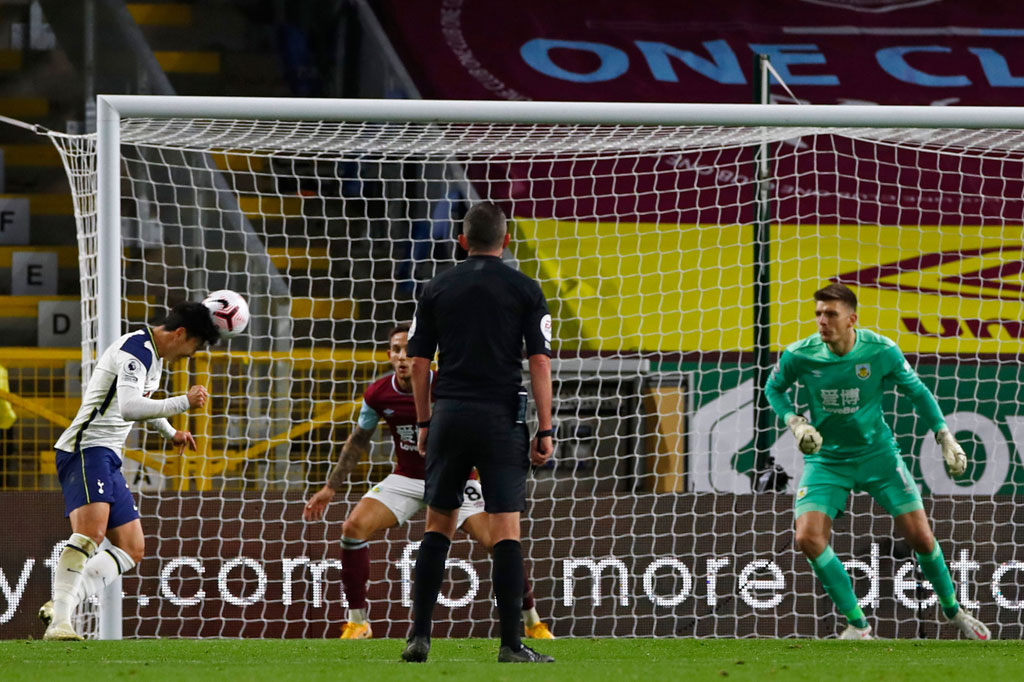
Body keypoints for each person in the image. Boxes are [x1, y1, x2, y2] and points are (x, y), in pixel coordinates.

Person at [765, 283, 991, 641]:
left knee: (921, 537)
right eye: (818, 313)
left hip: (878, 456)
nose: (822, 321)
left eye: (831, 314)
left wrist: (944, 435)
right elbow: (773, 388)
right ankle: (858, 625)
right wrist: (795, 421)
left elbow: (918, 392)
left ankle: (953, 611)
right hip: (827, 460)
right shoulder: (800, 355)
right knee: (807, 537)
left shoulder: (881, 350)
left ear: (851, 319)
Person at [302, 323, 554, 640]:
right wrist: (330, 487)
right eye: (397, 350)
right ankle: (358, 623)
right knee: (353, 527)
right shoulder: (377, 394)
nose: (403, 357)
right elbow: (358, 440)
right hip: (408, 477)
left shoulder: (447, 387)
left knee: (499, 542)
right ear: (389, 355)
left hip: (456, 478)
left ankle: (532, 622)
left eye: (410, 350)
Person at [401, 201, 554, 664]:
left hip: (449, 414)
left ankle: (419, 637)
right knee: (506, 528)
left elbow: (419, 363)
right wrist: (545, 428)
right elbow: (539, 361)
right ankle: (511, 644)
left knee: (438, 523)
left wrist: (424, 422)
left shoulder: (436, 287)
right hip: (501, 416)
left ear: (462, 240)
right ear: (505, 240)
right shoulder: (525, 288)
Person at [39, 302, 220, 641]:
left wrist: (170, 432)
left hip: (107, 455)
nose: (191, 355)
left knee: (132, 547)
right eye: (194, 346)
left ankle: (63, 604)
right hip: (86, 448)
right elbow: (129, 407)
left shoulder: (153, 356)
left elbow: (143, 401)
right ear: (180, 334)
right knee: (90, 535)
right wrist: (184, 401)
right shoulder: (135, 351)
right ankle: (60, 622)